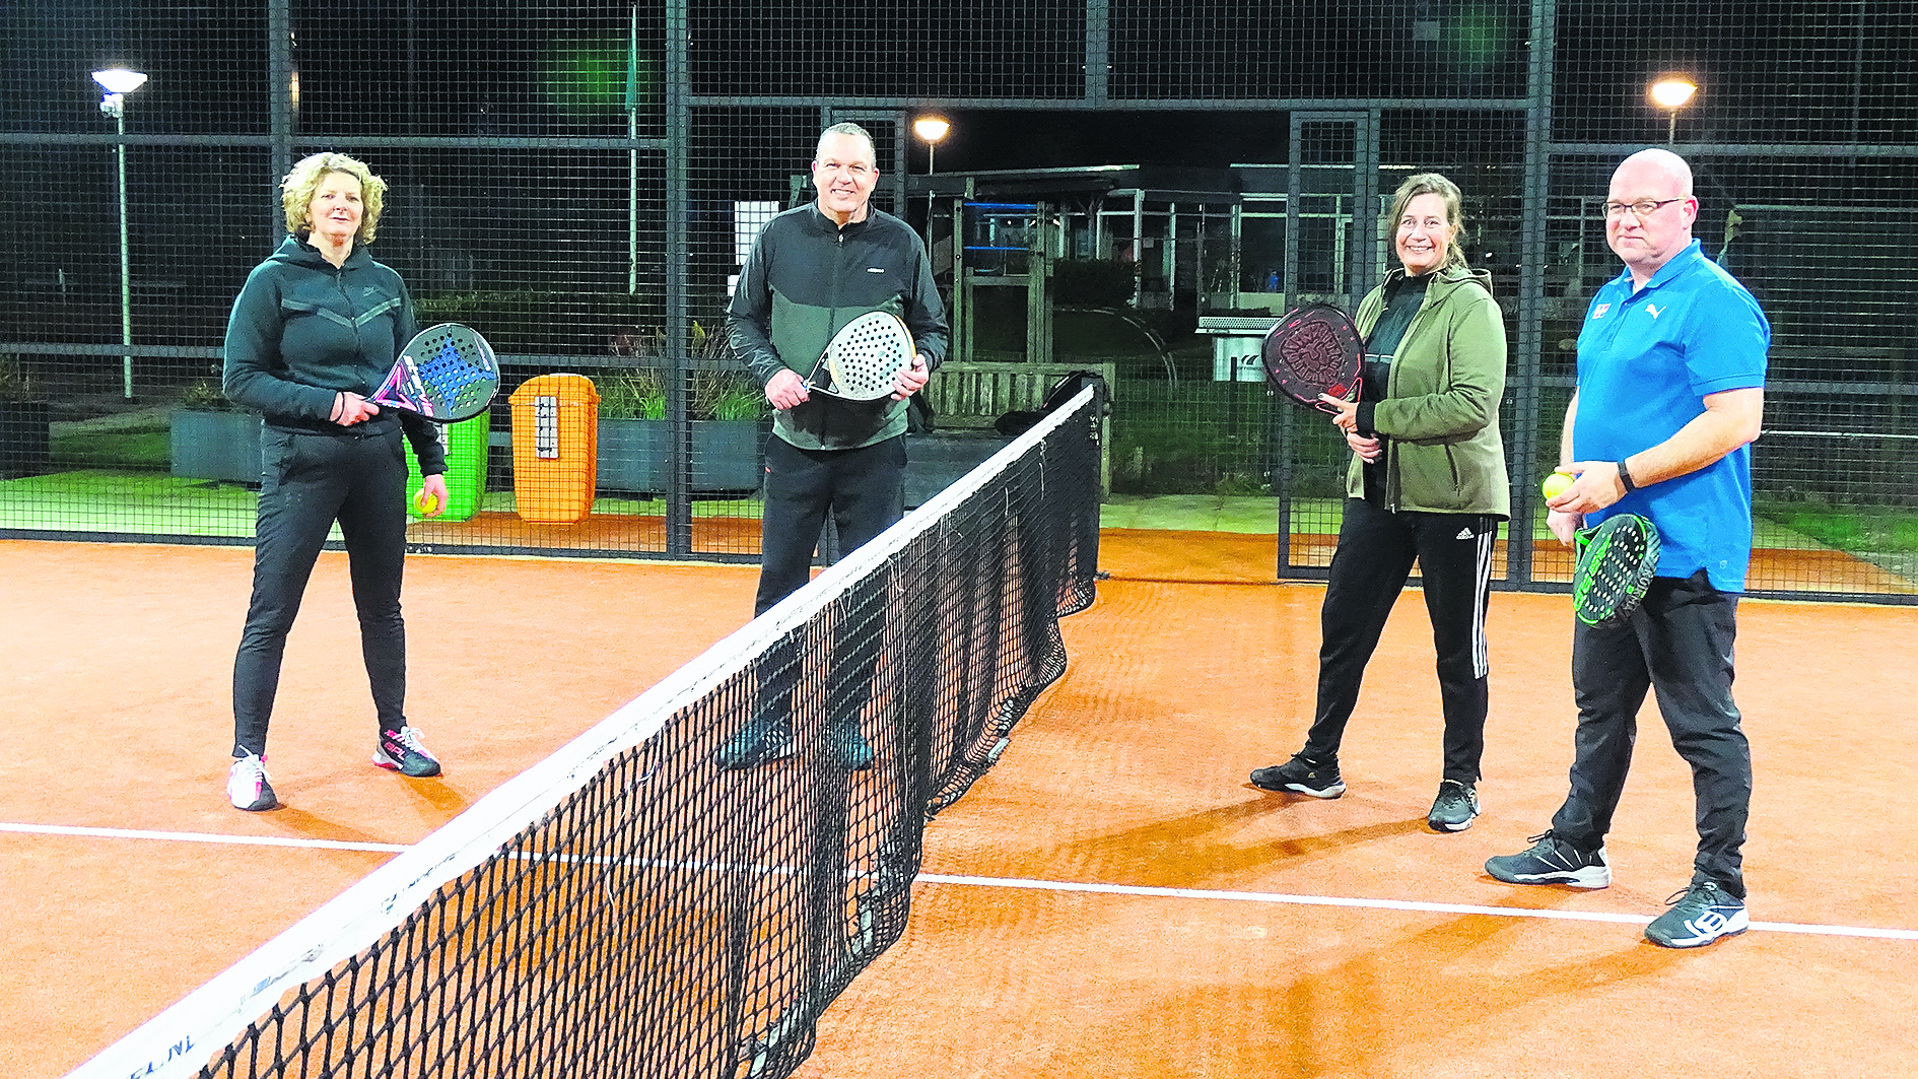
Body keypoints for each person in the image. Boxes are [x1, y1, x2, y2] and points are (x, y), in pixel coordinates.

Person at [1483, 148, 1767, 949]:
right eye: (1616, 207)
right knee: (1600, 706)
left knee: (1702, 721)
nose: (1627, 219)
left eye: (1646, 205)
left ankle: (1722, 883)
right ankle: (1579, 842)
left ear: (1687, 212)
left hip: (1686, 553)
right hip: (1611, 548)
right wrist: (1578, 488)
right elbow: (1586, 394)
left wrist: (1625, 475)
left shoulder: (1714, 302)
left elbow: (1736, 419)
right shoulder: (1611, 297)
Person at [1250, 173, 1509, 833]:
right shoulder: (1377, 300)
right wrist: (1360, 427)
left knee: (1457, 644)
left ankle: (1461, 780)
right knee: (1343, 629)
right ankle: (1320, 762)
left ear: (1453, 232)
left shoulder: (1472, 305)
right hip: (1377, 493)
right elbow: (1357, 391)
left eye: (1432, 222)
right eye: (1407, 222)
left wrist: (1376, 415)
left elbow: (1473, 405)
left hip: (1454, 498)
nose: (1417, 234)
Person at [221, 152, 450, 811]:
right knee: (272, 612)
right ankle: (247, 759)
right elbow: (241, 377)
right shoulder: (272, 281)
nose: (342, 206)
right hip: (302, 461)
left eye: (353, 198)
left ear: (366, 209)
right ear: (307, 208)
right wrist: (327, 405)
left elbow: (408, 385)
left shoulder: (387, 285)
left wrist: (431, 463)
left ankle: (393, 733)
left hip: (379, 463)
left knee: (383, 606)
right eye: (329, 198)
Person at [718, 122, 950, 770]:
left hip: (875, 447)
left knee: (865, 587)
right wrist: (772, 373)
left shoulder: (900, 243)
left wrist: (924, 363)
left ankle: (844, 721)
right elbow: (743, 321)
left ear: (875, 178)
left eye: (856, 168)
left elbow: (934, 327)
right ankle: (769, 718)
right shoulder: (779, 236)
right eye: (831, 166)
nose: (843, 177)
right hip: (794, 446)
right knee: (779, 584)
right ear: (814, 171)